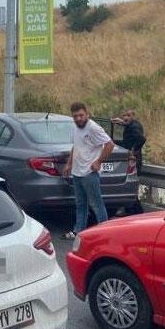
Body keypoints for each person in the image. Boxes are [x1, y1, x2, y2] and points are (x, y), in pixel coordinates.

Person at [63, 102, 114, 239]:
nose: (79, 118)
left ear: (87, 114)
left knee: (96, 204)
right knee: (80, 204)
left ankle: (105, 233)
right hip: (77, 172)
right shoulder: (74, 127)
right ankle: (78, 231)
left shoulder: (93, 128)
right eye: (75, 116)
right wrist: (69, 164)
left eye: (81, 115)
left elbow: (109, 145)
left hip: (89, 173)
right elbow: (76, 146)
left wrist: (98, 161)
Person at [112, 109, 146, 215]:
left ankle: (137, 211)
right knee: (129, 186)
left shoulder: (134, 127)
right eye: (124, 115)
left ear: (133, 116)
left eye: (128, 115)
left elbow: (141, 139)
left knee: (130, 186)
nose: (126, 117)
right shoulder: (132, 124)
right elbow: (129, 127)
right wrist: (121, 122)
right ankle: (131, 211)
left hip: (134, 159)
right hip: (132, 158)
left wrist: (133, 150)